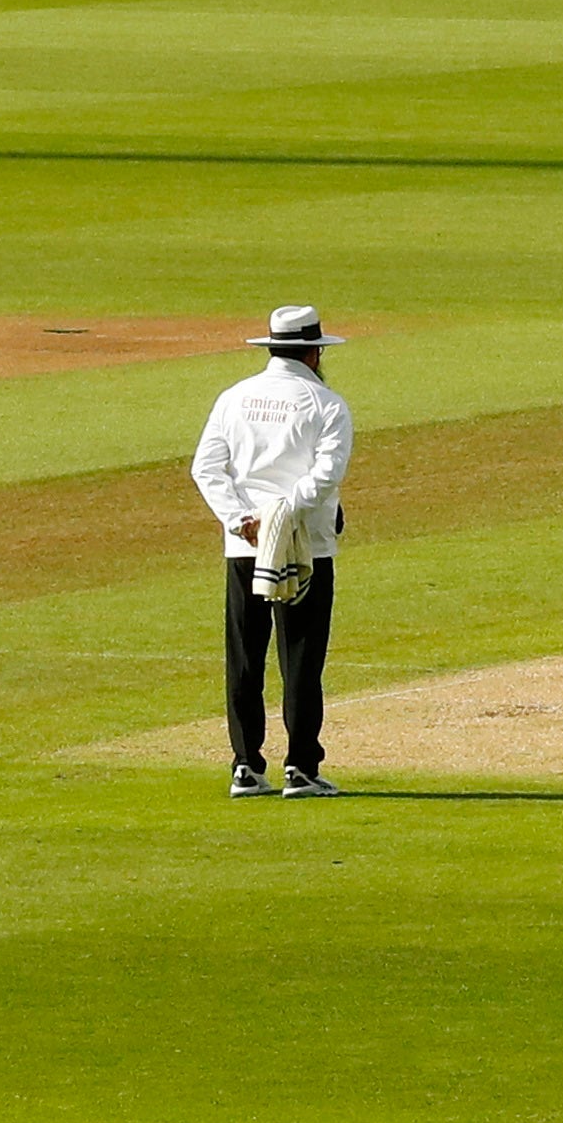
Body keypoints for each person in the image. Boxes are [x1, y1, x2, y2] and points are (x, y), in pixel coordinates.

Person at [191, 306, 355, 799]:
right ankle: (302, 767)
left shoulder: (234, 398)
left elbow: (207, 469)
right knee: (301, 657)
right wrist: (282, 515)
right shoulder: (325, 404)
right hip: (305, 546)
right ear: (312, 351)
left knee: (245, 656)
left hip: (244, 545)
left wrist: (243, 519)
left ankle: (245, 766)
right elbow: (327, 475)